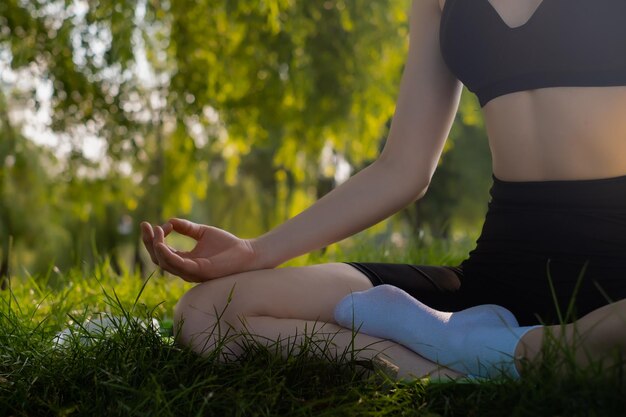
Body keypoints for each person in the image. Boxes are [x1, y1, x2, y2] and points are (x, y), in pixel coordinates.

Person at [141, 0, 626, 379]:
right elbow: (403, 168)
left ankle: (503, 356)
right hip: (496, 282)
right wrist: (254, 251)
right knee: (207, 314)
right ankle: (489, 367)